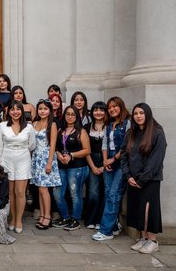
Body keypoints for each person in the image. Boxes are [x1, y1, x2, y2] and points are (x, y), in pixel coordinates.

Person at [122, 103, 166, 254]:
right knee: (137, 209)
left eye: (141, 113)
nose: (138, 116)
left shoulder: (157, 133)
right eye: (136, 113)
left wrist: (142, 179)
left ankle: (152, 241)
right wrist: (128, 176)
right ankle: (143, 238)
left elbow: (156, 160)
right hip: (132, 179)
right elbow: (123, 155)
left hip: (150, 180)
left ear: (147, 114)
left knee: (149, 210)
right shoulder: (130, 133)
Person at [0, 100, 36, 233]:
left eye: (18, 109)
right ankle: (12, 218)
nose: (15, 112)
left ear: (22, 112)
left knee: (20, 191)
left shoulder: (29, 127)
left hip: (23, 158)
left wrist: (20, 150)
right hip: (6, 159)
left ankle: (19, 220)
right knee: (10, 192)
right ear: (8, 112)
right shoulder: (2, 126)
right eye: (12, 109)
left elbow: (32, 145)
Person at [92, 96, 131, 241]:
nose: (112, 109)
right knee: (109, 193)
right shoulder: (109, 125)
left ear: (121, 106)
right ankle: (113, 226)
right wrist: (105, 160)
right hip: (109, 160)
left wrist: (113, 159)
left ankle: (105, 230)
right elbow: (105, 144)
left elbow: (127, 146)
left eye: (115, 106)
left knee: (114, 194)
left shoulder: (127, 123)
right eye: (110, 107)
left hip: (121, 162)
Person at [53, 106, 91, 231]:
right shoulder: (60, 131)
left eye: (73, 114)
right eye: (67, 114)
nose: (70, 116)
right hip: (61, 167)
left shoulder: (81, 132)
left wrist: (71, 155)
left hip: (77, 167)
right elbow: (56, 147)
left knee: (75, 194)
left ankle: (75, 219)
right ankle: (65, 217)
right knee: (57, 193)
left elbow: (87, 150)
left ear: (77, 117)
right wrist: (58, 154)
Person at [30, 99, 61, 230]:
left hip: (46, 157)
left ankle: (48, 216)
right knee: (39, 188)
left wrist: (49, 163)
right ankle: (42, 215)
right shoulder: (34, 123)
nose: (42, 111)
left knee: (44, 189)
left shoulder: (52, 124)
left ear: (50, 111)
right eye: (40, 108)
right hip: (36, 157)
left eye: (45, 109)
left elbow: (53, 145)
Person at [84, 101, 108, 230]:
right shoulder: (87, 127)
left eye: (101, 110)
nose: (98, 112)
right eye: (95, 110)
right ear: (92, 112)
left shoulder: (110, 126)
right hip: (91, 160)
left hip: (107, 161)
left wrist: (104, 165)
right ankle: (91, 219)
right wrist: (93, 167)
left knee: (105, 192)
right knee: (93, 192)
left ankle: (101, 220)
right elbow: (85, 149)